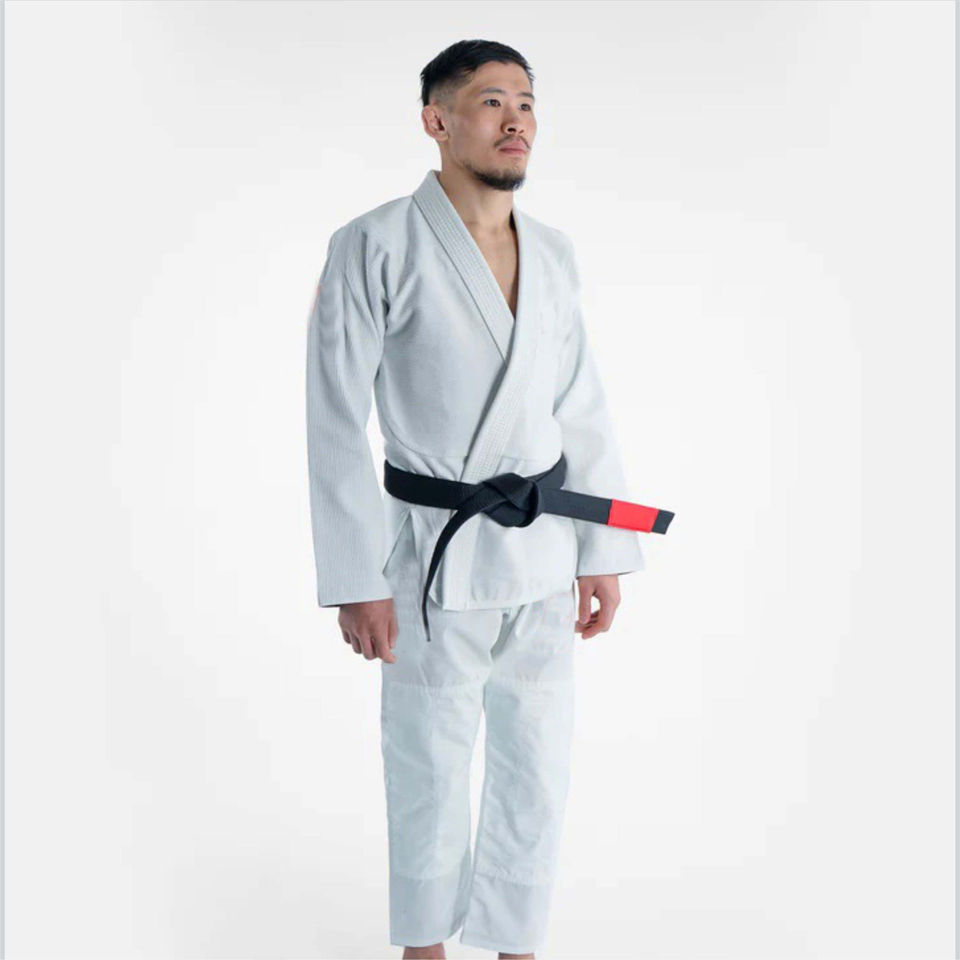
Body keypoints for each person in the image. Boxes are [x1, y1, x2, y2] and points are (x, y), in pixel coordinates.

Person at [306, 38, 669, 960]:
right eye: (491, 101)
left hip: (543, 550)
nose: (516, 120)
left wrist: (604, 551)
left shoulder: (554, 253)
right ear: (437, 121)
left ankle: (517, 946)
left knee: (536, 764)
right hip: (432, 552)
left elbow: (580, 405)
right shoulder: (373, 245)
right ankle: (424, 948)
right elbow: (335, 419)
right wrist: (355, 576)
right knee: (427, 761)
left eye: (527, 103)